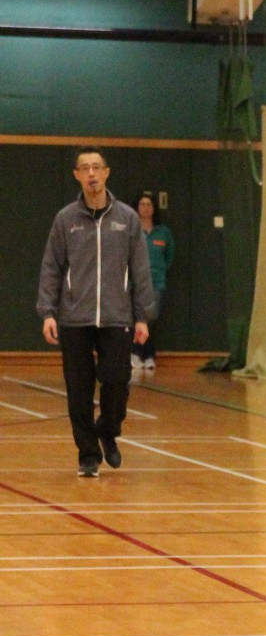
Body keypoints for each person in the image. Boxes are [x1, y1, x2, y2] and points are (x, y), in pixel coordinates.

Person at [36, 148, 154, 477]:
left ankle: (108, 429)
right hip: (74, 318)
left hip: (117, 316)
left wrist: (142, 316)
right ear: (77, 175)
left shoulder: (127, 219)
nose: (91, 174)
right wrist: (48, 312)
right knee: (79, 390)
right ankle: (88, 454)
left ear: (106, 173)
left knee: (117, 382)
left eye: (96, 168)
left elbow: (140, 269)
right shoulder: (65, 220)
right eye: (85, 168)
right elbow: (51, 267)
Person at [133, 193, 175, 376]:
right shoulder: (132, 229)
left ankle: (140, 352)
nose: (145, 208)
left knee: (150, 317)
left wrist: (160, 269)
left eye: (149, 204)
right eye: (142, 204)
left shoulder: (163, 232)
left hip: (156, 281)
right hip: (136, 282)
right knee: (137, 318)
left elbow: (170, 255)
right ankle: (144, 355)